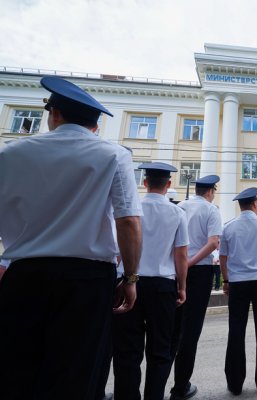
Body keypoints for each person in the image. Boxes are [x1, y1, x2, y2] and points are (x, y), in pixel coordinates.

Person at [0, 76, 142, 399]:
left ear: (55, 114)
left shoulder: (9, 155)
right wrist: (131, 278)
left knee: (16, 374)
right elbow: (130, 222)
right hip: (86, 283)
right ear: (94, 126)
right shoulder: (114, 155)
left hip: (23, 277)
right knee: (78, 376)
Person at [112, 162, 188, 400]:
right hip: (163, 286)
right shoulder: (177, 213)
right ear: (169, 184)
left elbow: (116, 251)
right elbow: (181, 254)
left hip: (128, 282)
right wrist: (182, 286)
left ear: (144, 183)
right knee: (160, 350)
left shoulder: (130, 209)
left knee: (126, 351)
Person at [219, 187, 257, 395]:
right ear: (255, 204)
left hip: (237, 284)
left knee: (236, 331)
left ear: (240, 205)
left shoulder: (228, 228)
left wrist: (226, 280)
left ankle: (235, 383)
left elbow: (223, 258)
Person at [170, 175, 222, 400]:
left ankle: (156, 384)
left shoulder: (180, 206)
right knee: (190, 331)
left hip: (173, 270)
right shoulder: (211, 210)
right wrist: (190, 262)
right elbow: (213, 243)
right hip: (199, 272)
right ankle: (180, 387)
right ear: (210, 191)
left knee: (171, 329)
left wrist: (180, 264)